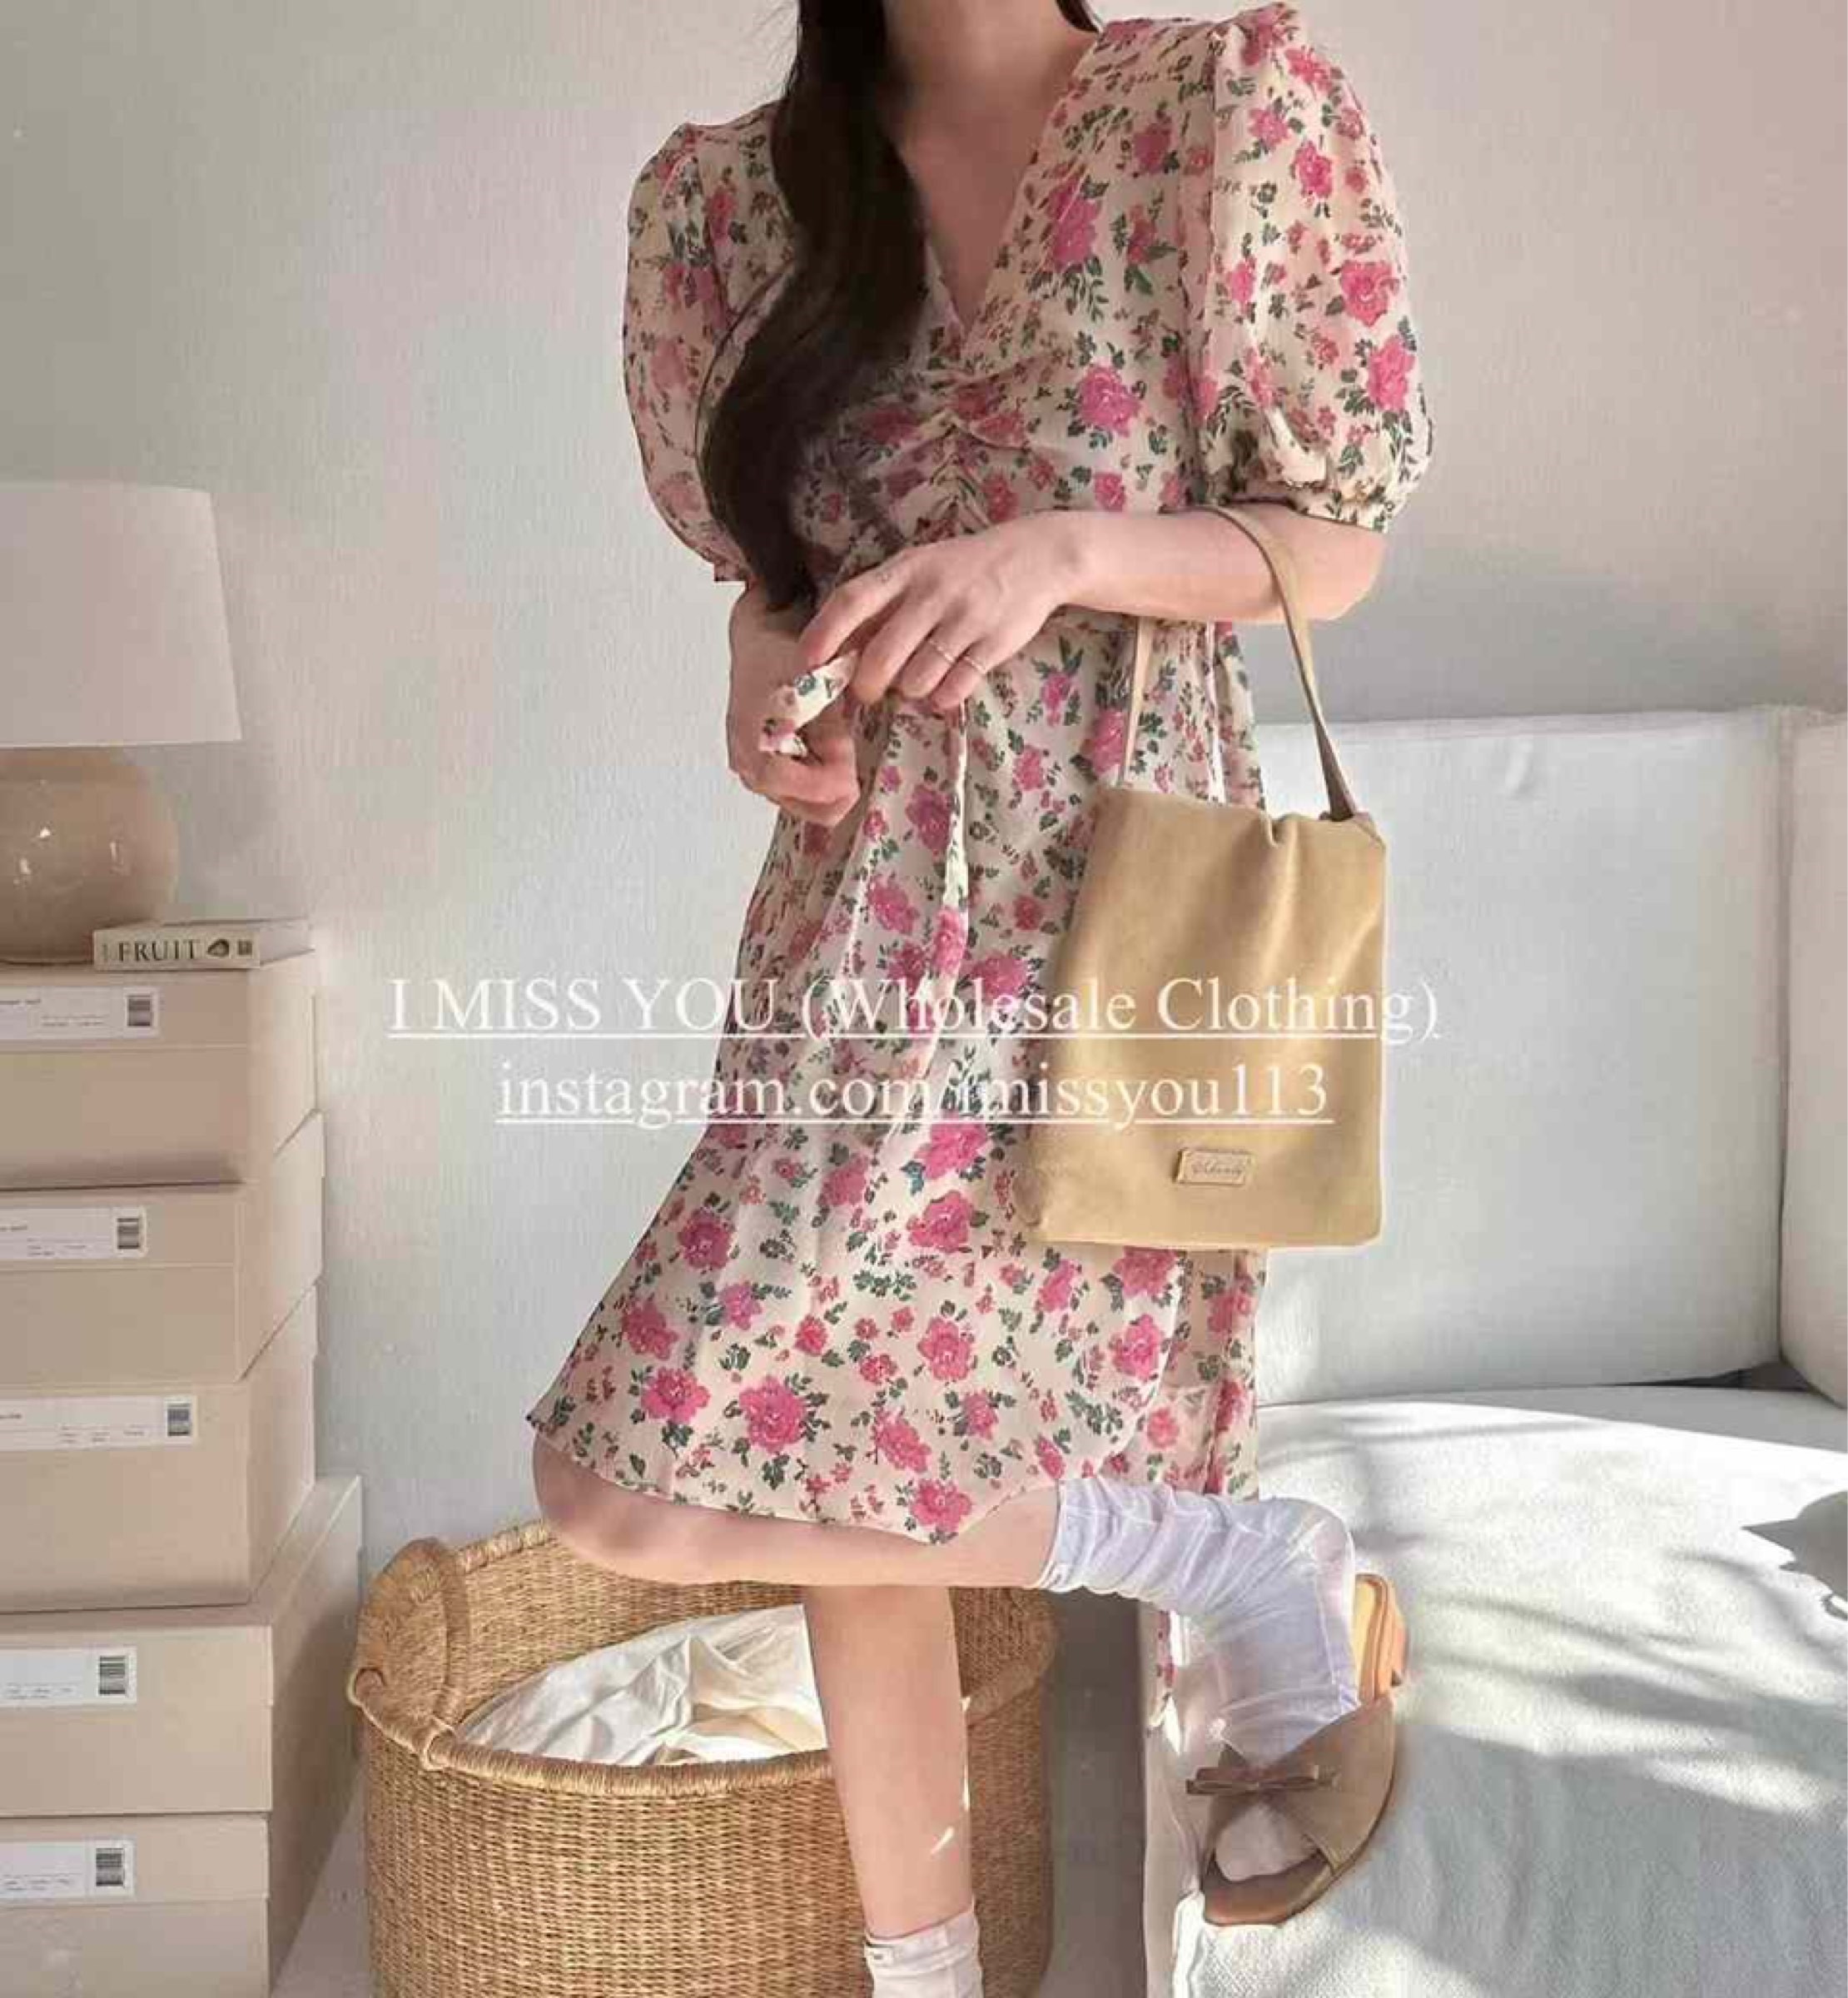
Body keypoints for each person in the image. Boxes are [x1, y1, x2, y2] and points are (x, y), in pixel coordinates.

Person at [529, 2, 1436, 1988]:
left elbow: (1335, 540)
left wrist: (1063, 555)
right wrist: (762, 685)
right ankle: (1201, 1595)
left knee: (789, 1456)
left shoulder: (1217, 117)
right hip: (857, 926)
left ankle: (1228, 1569)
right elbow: (770, 579)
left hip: (1114, 902)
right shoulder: (730, 202)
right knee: (709, 1459)